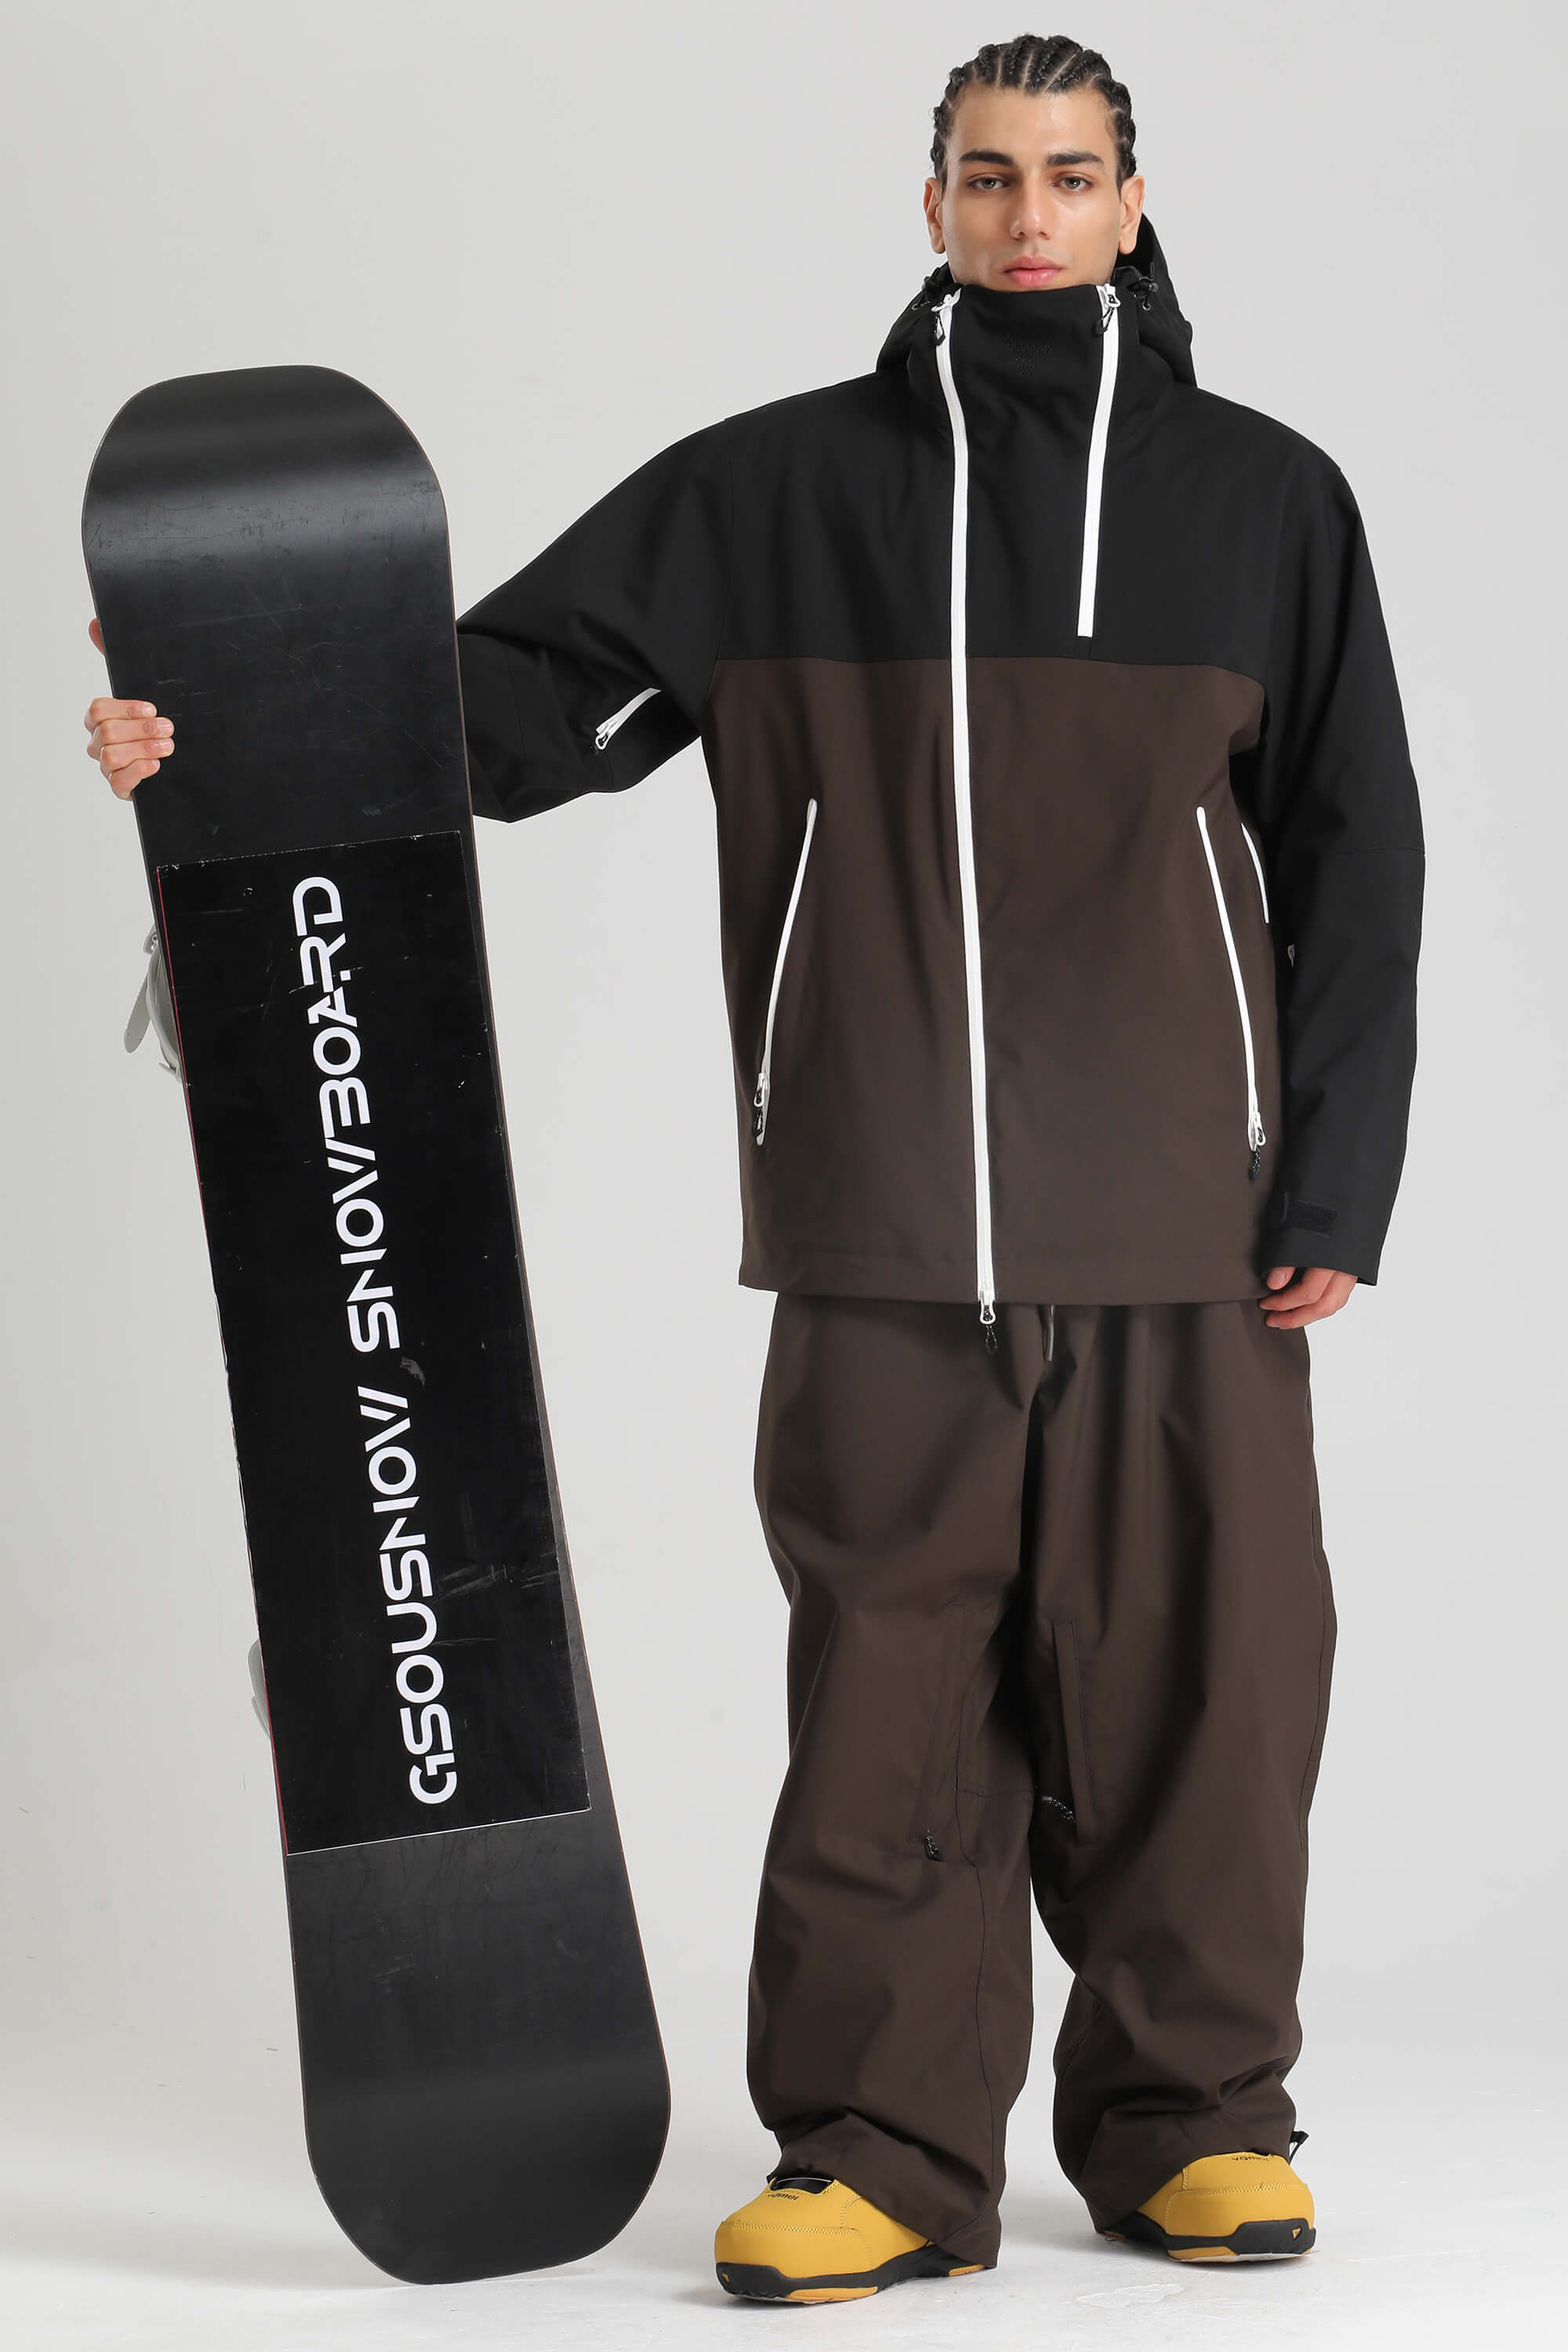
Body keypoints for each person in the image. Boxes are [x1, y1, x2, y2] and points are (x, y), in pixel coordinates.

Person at [82, 29, 1423, 2307]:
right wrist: (211, 720)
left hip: (1183, 1225)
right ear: (932, 204)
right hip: (878, 1218)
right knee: (889, 1701)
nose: (1026, 216)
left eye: (1068, 176)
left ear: (1130, 202)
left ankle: (1199, 2118)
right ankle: (884, 2152)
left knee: (1206, 1688)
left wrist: (1332, 1192)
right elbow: (490, 708)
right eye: (986, 176)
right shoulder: (780, 490)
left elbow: (1356, 855)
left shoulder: (1266, 500)